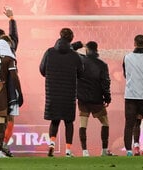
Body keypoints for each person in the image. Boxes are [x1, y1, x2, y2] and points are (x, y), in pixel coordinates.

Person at [39, 28, 82, 158]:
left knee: (55, 120)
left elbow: (42, 70)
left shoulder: (49, 52)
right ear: (71, 38)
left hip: (52, 91)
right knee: (69, 122)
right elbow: (81, 72)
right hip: (69, 92)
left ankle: (52, 143)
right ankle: (68, 151)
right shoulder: (75, 55)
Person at [77, 41, 113, 157]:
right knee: (105, 123)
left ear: (87, 49)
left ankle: (85, 151)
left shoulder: (80, 60)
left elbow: (70, 50)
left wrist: (78, 44)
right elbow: (105, 82)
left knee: (83, 124)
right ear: (97, 49)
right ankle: (104, 150)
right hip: (97, 99)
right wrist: (107, 97)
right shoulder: (102, 64)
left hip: (82, 98)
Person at [122, 34, 143, 155]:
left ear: (134, 43)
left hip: (130, 96)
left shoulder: (126, 57)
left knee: (129, 124)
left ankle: (129, 151)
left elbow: (126, 75)